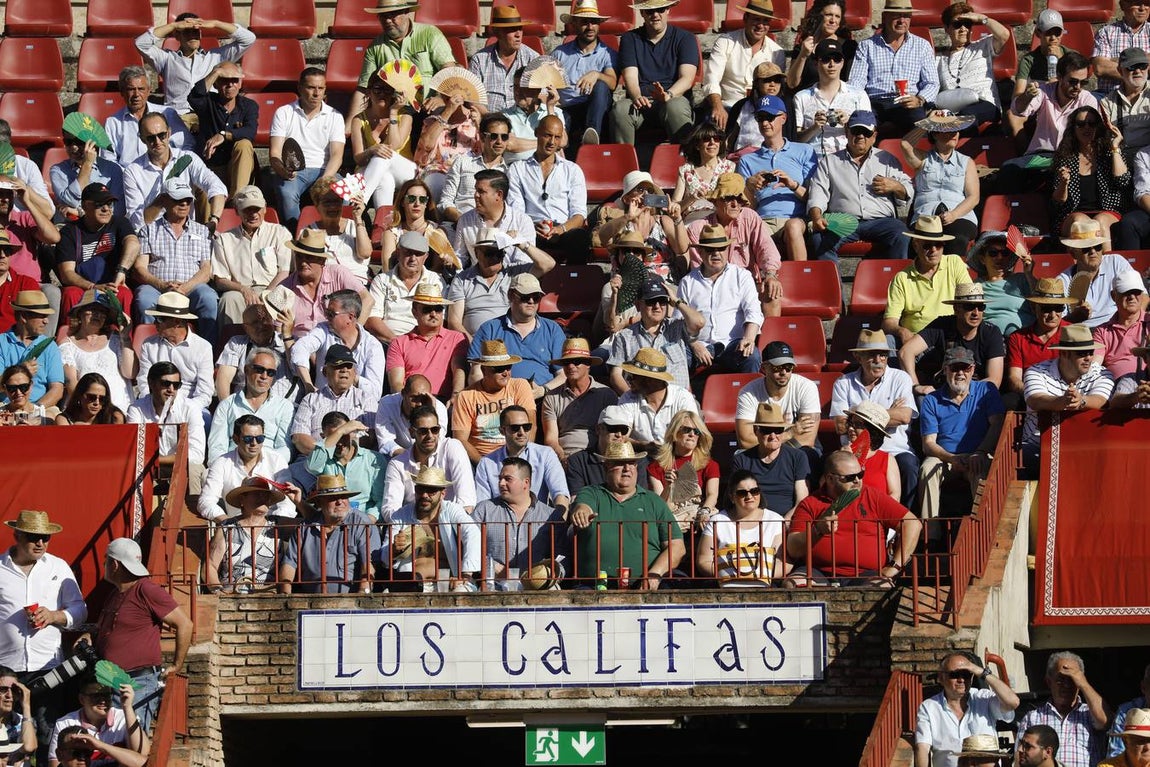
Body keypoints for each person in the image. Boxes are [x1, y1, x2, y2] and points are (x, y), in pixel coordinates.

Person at [83, 539, 192, 735]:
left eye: (106, 560)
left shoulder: (146, 590)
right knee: (115, 740)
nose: (105, 565)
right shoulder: (115, 594)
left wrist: (177, 664)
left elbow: (184, 623)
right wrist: (89, 637)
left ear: (115, 564)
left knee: (132, 739)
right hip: (111, 682)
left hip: (137, 682)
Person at [0, 511, 85, 754]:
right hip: (6, 668)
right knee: (8, 736)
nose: (40, 543)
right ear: (17, 535)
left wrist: (54, 616)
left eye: (45, 538)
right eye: (33, 537)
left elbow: (80, 610)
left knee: (48, 737)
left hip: (48, 666)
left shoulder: (57, 567)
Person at [785, 450, 923, 586]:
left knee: (882, 587)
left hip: (868, 573)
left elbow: (912, 524)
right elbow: (793, 548)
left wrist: (894, 566)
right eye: (850, 477)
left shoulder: (873, 496)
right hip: (818, 572)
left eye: (860, 474)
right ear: (830, 479)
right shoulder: (811, 503)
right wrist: (817, 531)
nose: (857, 480)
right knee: (793, 583)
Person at [569, 442, 685, 588]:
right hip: (595, 585)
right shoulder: (591, 492)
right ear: (606, 467)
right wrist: (582, 512)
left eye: (632, 463)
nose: (627, 469)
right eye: (620, 463)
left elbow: (677, 546)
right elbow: (582, 506)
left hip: (645, 585)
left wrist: (654, 574)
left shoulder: (653, 501)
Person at [808, 109, 913, 261]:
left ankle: (894, 282)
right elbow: (818, 193)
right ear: (847, 131)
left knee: (901, 234)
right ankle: (832, 283)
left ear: (874, 136)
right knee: (819, 238)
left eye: (866, 132)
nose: (861, 136)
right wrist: (817, 217)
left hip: (882, 221)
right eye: (856, 131)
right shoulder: (829, 162)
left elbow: (908, 190)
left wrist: (895, 186)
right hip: (842, 221)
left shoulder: (887, 159)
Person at [830, 328, 918, 505]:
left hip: (895, 448)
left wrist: (856, 415)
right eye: (872, 355)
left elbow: (904, 416)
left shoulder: (900, 378)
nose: (878, 360)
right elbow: (841, 426)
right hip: (854, 451)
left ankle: (905, 519)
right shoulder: (843, 383)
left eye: (883, 355)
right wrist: (885, 413)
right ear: (858, 357)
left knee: (909, 466)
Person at [918, 347, 1006, 522]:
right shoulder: (931, 399)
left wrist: (980, 452)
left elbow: (997, 424)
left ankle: (985, 526)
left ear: (972, 369)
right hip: (945, 458)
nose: (960, 373)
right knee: (927, 469)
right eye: (954, 368)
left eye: (965, 368)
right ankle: (930, 534)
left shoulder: (986, 390)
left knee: (982, 468)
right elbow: (928, 443)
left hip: (978, 452)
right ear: (945, 370)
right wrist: (951, 458)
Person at [131, 180, 218, 342]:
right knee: (144, 298)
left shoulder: (202, 230)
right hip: (158, 287)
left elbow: (206, 270)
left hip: (191, 288)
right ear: (164, 200)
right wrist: (162, 285)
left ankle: (209, 350)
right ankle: (149, 347)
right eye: (178, 199)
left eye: (188, 200)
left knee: (208, 298)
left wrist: (185, 288)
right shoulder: (149, 230)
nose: (184, 204)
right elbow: (140, 268)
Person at [1021, 325, 1115, 475]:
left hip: (1084, 448)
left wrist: (1081, 401)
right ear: (1064, 353)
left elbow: (1102, 400)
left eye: (1091, 352)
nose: (1089, 358)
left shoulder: (1103, 374)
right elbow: (1035, 400)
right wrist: (1062, 402)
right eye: (1082, 353)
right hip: (1038, 446)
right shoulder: (1036, 371)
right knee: (1017, 459)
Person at [685, 173, 783, 317]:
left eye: (739, 199)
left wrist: (770, 275)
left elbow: (766, 248)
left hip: (748, 285)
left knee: (772, 292)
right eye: (729, 198)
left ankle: (770, 339)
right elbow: (699, 271)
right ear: (716, 200)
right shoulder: (698, 228)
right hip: (713, 288)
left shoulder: (750, 217)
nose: (735, 204)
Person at [736, 95, 817, 262]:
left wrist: (792, 185)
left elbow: (814, 198)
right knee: (751, 231)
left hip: (796, 218)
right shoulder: (747, 159)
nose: (765, 123)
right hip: (763, 218)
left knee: (793, 227)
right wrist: (749, 187)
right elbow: (746, 207)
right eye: (760, 118)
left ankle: (801, 280)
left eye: (770, 117)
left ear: (783, 118)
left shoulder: (804, 151)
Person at [678, 224, 764, 377]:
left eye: (721, 249)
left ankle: (749, 400)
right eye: (710, 250)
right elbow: (677, 321)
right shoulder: (687, 282)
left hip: (733, 344)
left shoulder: (741, 276)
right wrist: (694, 344)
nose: (716, 254)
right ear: (700, 252)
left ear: (728, 250)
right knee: (673, 355)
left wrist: (749, 338)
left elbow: (754, 312)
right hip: (699, 344)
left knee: (752, 356)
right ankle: (683, 400)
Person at [134, 11, 255, 121]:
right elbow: (141, 43)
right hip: (177, 117)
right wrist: (173, 26)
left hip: (208, 117)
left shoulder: (215, 57)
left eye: (196, 31)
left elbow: (248, 39)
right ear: (177, 36)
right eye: (187, 31)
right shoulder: (166, 59)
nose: (193, 35)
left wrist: (215, 23)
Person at [350, 0, 454, 126]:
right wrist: (349, 124)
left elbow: (448, 69)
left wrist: (441, 98)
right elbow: (364, 88)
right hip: (393, 109)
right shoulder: (374, 47)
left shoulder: (430, 34)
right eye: (383, 16)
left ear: (406, 13)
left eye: (392, 15)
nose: (388, 21)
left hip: (430, 107)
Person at [376, 466, 479, 592]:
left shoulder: (453, 510)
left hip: (450, 583)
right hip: (412, 584)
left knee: (461, 592)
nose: (424, 495)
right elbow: (384, 558)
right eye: (420, 489)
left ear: (442, 494)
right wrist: (394, 550)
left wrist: (465, 575)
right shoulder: (400, 516)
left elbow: (473, 534)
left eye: (431, 490)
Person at [472, 457, 569, 591]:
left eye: (508, 479)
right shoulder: (484, 510)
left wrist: (550, 575)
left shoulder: (550, 516)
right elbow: (469, 548)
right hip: (494, 584)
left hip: (539, 588)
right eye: (500, 478)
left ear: (526, 482)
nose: (501, 483)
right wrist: (491, 566)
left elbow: (563, 557)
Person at [1005, 52, 1099, 188]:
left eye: (1083, 82)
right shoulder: (1043, 91)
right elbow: (1017, 111)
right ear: (1059, 77)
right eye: (1073, 81)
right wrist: (1027, 96)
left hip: (1072, 155)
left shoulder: (1087, 99)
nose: (1078, 87)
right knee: (1009, 169)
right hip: (1042, 156)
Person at [269, 68, 346, 232]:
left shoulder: (335, 116)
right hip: (295, 172)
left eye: (321, 88)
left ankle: (336, 234)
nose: (316, 93)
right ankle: (296, 234)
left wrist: (325, 180)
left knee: (344, 193)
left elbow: (337, 155)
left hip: (325, 169)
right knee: (287, 193)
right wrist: (284, 171)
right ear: (300, 88)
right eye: (311, 87)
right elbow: (275, 154)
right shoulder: (284, 113)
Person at [613, 0, 699, 145]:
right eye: (650, 11)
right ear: (642, 13)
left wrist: (668, 95)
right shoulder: (629, 39)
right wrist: (637, 96)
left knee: (675, 107)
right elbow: (630, 77)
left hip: (673, 98)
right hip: (641, 101)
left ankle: (685, 160)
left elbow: (687, 78)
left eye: (661, 9)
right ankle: (624, 163)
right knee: (620, 109)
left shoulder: (686, 38)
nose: (655, 15)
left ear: (668, 10)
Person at [507, 115, 591, 264]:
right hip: (531, 229)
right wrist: (533, 227)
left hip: (563, 229)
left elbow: (579, 214)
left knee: (580, 237)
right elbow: (516, 210)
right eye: (547, 135)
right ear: (536, 133)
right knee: (517, 236)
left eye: (557, 137)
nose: (552, 142)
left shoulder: (572, 170)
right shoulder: (517, 169)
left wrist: (561, 229)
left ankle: (575, 282)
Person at [122, 114, 227, 232]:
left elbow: (217, 187)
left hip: (185, 233)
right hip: (152, 236)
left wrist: (214, 220)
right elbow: (136, 222)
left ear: (169, 133)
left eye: (162, 135)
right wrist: (161, 200)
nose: (157, 142)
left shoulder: (188, 158)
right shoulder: (132, 171)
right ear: (142, 139)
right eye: (151, 138)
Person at [914, 651, 1020, 767]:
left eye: (966, 674)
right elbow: (922, 748)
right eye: (954, 675)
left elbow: (1013, 702)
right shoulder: (929, 707)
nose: (961, 680)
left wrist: (979, 671)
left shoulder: (983, 698)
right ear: (941, 677)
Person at [468, 271, 566, 395]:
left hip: (543, 398)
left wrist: (542, 390)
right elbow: (475, 373)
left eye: (536, 297)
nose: (531, 301)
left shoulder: (552, 329)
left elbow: (563, 375)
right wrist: (492, 394)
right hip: (499, 398)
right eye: (525, 296)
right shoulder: (489, 328)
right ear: (511, 296)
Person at [848, 0, 938, 133]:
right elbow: (857, 80)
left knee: (919, 125)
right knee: (860, 125)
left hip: (908, 102)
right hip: (874, 102)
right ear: (885, 17)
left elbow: (932, 83)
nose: (902, 20)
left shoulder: (922, 46)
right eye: (896, 16)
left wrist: (919, 99)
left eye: (906, 16)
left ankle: (915, 154)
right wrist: (858, 102)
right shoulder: (867, 46)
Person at [280, 475, 379, 594]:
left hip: (349, 601)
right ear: (320, 502)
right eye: (333, 498)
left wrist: (363, 594)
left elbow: (368, 565)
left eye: (344, 497)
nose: (340, 502)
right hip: (309, 602)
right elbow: (289, 563)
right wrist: (285, 596)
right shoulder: (305, 527)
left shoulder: (361, 523)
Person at [900, 282, 1006, 393]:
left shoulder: (991, 332)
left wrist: (959, 391)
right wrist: (915, 387)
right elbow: (905, 352)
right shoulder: (941, 326)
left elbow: (994, 381)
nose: (976, 313)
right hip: (941, 394)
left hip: (977, 396)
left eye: (980, 307)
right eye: (969, 307)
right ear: (956, 308)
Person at [899, 111, 981, 255]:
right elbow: (905, 144)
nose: (954, 133)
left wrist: (954, 214)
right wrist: (928, 122)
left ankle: (955, 276)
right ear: (935, 134)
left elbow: (973, 197)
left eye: (956, 130)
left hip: (960, 215)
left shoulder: (966, 161)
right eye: (948, 129)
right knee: (922, 243)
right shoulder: (923, 159)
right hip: (925, 214)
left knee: (958, 239)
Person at [210, 186, 292, 329]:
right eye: (247, 209)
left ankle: (279, 344)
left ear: (265, 208)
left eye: (257, 209)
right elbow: (220, 280)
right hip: (241, 292)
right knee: (228, 300)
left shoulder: (280, 233)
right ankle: (231, 345)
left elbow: (284, 272)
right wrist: (243, 289)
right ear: (237, 211)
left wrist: (266, 295)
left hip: (273, 288)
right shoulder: (225, 239)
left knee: (282, 298)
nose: (253, 214)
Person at [883, 215, 974, 344]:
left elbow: (969, 301)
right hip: (914, 341)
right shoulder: (902, 278)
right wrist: (901, 331)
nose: (933, 250)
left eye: (938, 245)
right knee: (888, 340)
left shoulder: (954, 263)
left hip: (949, 336)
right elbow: (889, 322)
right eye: (927, 246)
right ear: (915, 245)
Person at [54, 184, 137, 320]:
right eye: (99, 204)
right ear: (85, 206)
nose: (106, 209)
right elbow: (66, 274)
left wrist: (121, 272)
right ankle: (67, 336)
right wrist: (92, 287)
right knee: (71, 294)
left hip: (112, 282)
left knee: (124, 293)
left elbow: (133, 243)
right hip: (83, 284)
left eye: (109, 204)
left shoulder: (119, 222)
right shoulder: (69, 231)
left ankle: (123, 337)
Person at [1052, 105, 1131, 248]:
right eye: (1081, 124)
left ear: (1098, 127)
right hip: (1074, 213)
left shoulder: (1108, 153)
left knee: (1100, 221)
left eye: (1092, 123)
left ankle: (1107, 265)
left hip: (1107, 211)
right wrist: (1063, 183)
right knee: (1081, 222)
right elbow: (1059, 201)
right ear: (1073, 128)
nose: (1086, 128)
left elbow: (1123, 180)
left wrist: (1114, 148)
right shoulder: (1066, 157)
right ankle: (1081, 269)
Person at [380, 404, 476, 520]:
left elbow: (466, 500)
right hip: (411, 526)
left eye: (435, 430)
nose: (430, 436)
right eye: (423, 431)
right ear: (411, 432)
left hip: (451, 525)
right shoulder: (397, 464)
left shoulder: (452, 447)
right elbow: (390, 510)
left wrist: (448, 527)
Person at [703, 0, 785, 132]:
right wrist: (718, 107)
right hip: (727, 106)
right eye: (756, 20)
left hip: (759, 109)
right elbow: (711, 79)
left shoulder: (777, 52)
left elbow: (775, 89)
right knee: (712, 127)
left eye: (765, 22)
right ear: (745, 18)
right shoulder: (725, 42)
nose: (760, 26)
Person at [1016, 651, 1110, 767]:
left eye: (1072, 680)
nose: (1066, 685)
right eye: (1060, 680)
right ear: (1049, 682)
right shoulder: (1033, 717)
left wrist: (1084, 684)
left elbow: (1104, 721)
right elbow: (1020, 760)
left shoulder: (1089, 713)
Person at [695, 468, 787, 585]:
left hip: (765, 585)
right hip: (725, 585)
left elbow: (783, 561)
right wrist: (728, 574)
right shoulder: (717, 521)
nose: (749, 496)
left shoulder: (775, 520)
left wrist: (758, 576)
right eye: (742, 493)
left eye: (754, 491)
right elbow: (704, 560)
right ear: (732, 497)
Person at [198, 414, 297, 522]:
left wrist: (271, 526)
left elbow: (288, 503)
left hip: (271, 530)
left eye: (259, 438)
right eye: (248, 439)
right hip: (234, 532)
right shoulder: (222, 463)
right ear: (236, 439)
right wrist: (229, 523)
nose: (254, 443)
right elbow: (206, 501)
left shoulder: (277, 460)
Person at [291, 292, 386, 403]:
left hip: (356, 408)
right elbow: (299, 349)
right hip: (322, 403)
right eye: (326, 313)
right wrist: (308, 385)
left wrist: (349, 376)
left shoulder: (373, 346)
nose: (326, 317)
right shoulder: (323, 330)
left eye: (331, 314)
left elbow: (375, 393)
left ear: (350, 317)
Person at [205, 477, 295, 593]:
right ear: (242, 499)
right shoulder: (227, 527)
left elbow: (315, 523)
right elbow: (211, 565)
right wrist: (218, 592)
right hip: (231, 596)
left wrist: (298, 502)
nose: (263, 498)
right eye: (257, 494)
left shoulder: (278, 524)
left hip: (268, 598)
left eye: (266, 495)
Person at [276, 230, 370, 340]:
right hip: (298, 344)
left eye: (309, 257)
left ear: (322, 260)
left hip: (335, 341)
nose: (303, 262)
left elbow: (367, 299)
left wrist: (352, 333)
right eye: (299, 256)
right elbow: (279, 330)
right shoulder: (284, 288)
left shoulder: (338, 274)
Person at [289, 345, 376, 461]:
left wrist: (342, 452)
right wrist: (324, 454)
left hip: (354, 461)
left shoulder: (366, 399)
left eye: (349, 366)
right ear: (325, 371)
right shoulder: (310, 400)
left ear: (355, 372)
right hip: (313, 461)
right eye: (338, 365)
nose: (344, 370)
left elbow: (371, 438)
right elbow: (299, 438)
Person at [453, 340, 537, 462]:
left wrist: (520, 460)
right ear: (484, 370)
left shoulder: (520, 386)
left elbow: (531, 426)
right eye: (499, 368)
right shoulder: (465, 396)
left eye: (508, 367)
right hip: (481, 458)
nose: (505, 373)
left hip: (519, 455)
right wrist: (485, 464)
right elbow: (461, 440)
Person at [350, 64, 419, 212]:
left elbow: (394, 145)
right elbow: (358, 158)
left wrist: (393, 112)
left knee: (383, 155)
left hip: (406, 171)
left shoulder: (405, 116)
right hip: (375, 170)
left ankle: (357, 205)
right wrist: (372, 150)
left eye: (387, 90)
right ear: (369, 92)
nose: (382, 94)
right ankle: (382, 226)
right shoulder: (359, 119)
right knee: (384, 178)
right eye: (377, 89)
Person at [206, 347, 294, 463]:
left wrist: (263, 464)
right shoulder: (227, 405)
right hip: (232, 466)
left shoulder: (284, 407)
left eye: (270, 372)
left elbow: (285, 448)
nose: (264, 376)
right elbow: (217, 448)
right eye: (259, 369)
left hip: (269, 469)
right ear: (246, 370)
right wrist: (228, 469)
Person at [735, 341, 822, 457]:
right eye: (777, 367)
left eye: (788, 367)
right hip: (765, 453)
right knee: (740, 455)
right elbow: (745, 442)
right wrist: (789, 433)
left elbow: (807, 440)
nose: (784, 372)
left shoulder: (806, 387)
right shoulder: (748, 392)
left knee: (807, 454)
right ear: (764, 368)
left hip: (797, 452)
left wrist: (775, 451)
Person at [475, 406, 570, 511]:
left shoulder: (545, 454)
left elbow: (561, 494)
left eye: (526, 427)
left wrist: (558, 522)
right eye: (515, 428)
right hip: (500, 523)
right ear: (502, 430)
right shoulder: (487, 463)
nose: (522, 432)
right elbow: (482, 505)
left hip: (537, 523)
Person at [596, 173, 689, 280]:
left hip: (662, 285)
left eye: (650, 191)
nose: (645, 194)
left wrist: (677, 219)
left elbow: (683, 250)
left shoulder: (663, 221)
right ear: (626, 199)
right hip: (629, 285)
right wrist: (628, 216)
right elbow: (602, 236)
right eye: (640, 190)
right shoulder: (621, 224)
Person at [125, 362, 205, 485]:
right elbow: (134, 451)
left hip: (178, 467)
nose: (171, 390)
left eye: (176, 385)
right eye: (165, 384)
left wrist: (158, 460)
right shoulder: (136, 409)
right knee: (132, 471)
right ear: (151, 383)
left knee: (195, 469)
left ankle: (192, 505)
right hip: (150, 469)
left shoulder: (191, 408)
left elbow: (196, 455)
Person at [553, 0, 618, 149]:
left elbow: (613, 83)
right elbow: (547, 82)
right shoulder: (559, 53)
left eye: (594, 22)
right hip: (566, 108)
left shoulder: (608, 54)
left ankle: (592, 133)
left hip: (595, 106)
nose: (590, 27)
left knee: (601, 85)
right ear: (574, 24)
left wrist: (597, 74)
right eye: (584, 22)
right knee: (560, 119)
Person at [134, 292, 213, 412]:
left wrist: (184, 409)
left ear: (176, 321)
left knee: (205, 418)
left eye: (160, 319)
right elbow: (144, 381)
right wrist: (154, 405)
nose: (155, 323)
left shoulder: (203, 347)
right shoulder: (148, 344)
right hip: (155, 404)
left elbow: (204, 392)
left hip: (190, 406)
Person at [542, 338, 619, 463]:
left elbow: (612, 436)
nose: (571, 366)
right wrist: (562, 458)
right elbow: (551, 439)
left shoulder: (607, 395)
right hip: (565, 456)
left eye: (576, 361)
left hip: (598, 458)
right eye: (566, 363)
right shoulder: (551, 397)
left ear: (588, 364)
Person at [384, 281, 466, 398]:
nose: (433, 314)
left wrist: (456, 396)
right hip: (411, 400)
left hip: (444, 401)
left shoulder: (457, 338)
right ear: (414, 312)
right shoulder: (399, 343)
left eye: (438, 308)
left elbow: (459, 370)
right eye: (427, 309)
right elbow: (396, 384)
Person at [933, 3, 1010, 125]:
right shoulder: (938, 60)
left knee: (966, 115)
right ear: (946, 28)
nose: (963, 29)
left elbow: (1004, 35)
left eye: (967, 24)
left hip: (984, 103)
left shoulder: (982, 46)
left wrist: (981, 19)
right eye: (957, 24)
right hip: (953, 109)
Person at [47, 675, 148, 767]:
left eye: (107, 695)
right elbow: (55, 764)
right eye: (96, 696)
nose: (103, 701)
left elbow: (143, 757)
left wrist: (127, 706)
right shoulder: (66, 723)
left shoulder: (125, 716)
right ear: (82, 699)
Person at [189, 62, 258, 196]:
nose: (230, 84)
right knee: (204, 191)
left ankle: (237, 199)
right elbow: (194, 97)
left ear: (240, 84)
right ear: (216, 83)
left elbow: (250, 131)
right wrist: (216, 73)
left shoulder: (249, 106)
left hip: (236, 169)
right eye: (225, 80)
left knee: (244, 144)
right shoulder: (208, 103)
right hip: (211, 169)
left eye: (234, 80)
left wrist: (224, 135)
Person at [794, 38, 872, 155]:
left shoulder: (859, 95)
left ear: (842, 63)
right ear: (816, 63)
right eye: (826, 59)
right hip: (813, 159)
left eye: (837, 59)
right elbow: (796, 140)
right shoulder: (801, 97)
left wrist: (849, 124)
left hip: (848, 159)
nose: (832, 64)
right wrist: (814, 127)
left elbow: (870, 135)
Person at [615, 347, 700, 453]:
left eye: (633, 376)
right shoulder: (628, 398)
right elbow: (620, 438)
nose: (628, 380)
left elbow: (692, 437)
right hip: (641, 458)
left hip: (678, 455)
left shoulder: (682, 397)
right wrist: (643, 446)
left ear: (650, 380)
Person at [731, 402, 811, 515]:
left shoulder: (798, 457)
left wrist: (786, 522)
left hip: (788, 521)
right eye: (767, 430)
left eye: (778, 430)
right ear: (756, 431)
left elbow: (802, 500)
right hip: (753, 520)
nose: (773, 436)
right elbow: (739, 499)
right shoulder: (741, 460)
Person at [102, 67, 191, 167]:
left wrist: (174, 171)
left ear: (149, 91)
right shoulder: (112, 123)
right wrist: (128, 176)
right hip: (126, 177)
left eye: (141, 89)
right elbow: (108, 160)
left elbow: (187, 146)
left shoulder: (167, 114)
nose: (136, 94)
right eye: (131, 89)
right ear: (122, 92)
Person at [451, 169, 540, 269]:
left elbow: (523, 263)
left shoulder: (522, 221)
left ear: (499, 195)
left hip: (511, 279)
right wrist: (451, 263)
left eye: (481, 191)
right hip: (475, 280)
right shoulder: (466, 220)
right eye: (476, 190)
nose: (475, 195)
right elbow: (460, 257)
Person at [648, 410, 720, 533]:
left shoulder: (709, 464)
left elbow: (712, 495)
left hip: (700, 519)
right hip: (671, 522)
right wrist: (669, 487)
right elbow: (659, 506)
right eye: (687, 430)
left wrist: (704, 512)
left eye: (696, 431)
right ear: (675, 433)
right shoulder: (656, 467)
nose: (692, 434)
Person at [1058, 219, 1137, 328]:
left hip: (1117, 328)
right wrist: (1074, 317)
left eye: (1098, 246)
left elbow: (1142, 297)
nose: (1093, 252)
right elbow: (1056, 324)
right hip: (1082, 334)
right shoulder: (1063, 281)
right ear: (1073, 253)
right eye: (1086, 249)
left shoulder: (1116, 263)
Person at [306, 412, 386, 519]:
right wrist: (341, 431)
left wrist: (369, 520)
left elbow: (381, 499)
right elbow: (312, 466)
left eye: (344, 436)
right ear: (324, 437)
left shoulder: (373, 459)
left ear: (352, 433)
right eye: (334, 437)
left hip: (363, 523)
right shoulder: (323, 460)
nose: (339, 442)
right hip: (332, 521)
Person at [439, 114, 511, 227]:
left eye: (504, 137)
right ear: (482, 137)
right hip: (459, 224)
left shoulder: (509, 172)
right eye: (493, 136)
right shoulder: (463, 162)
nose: (499, 141)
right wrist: (463, 220)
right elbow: (445, 202)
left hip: (494, 229)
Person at [214, 303, 295, 402]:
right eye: (255, 322)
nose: (261, 326)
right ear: (245, 327)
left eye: (265, 320)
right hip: (245, 407)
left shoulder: (286, 341)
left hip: (283, 405)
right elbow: (223, 379)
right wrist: (226, 408)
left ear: (272, 321)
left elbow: (297, 369)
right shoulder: (236, 343)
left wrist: (287, 335)